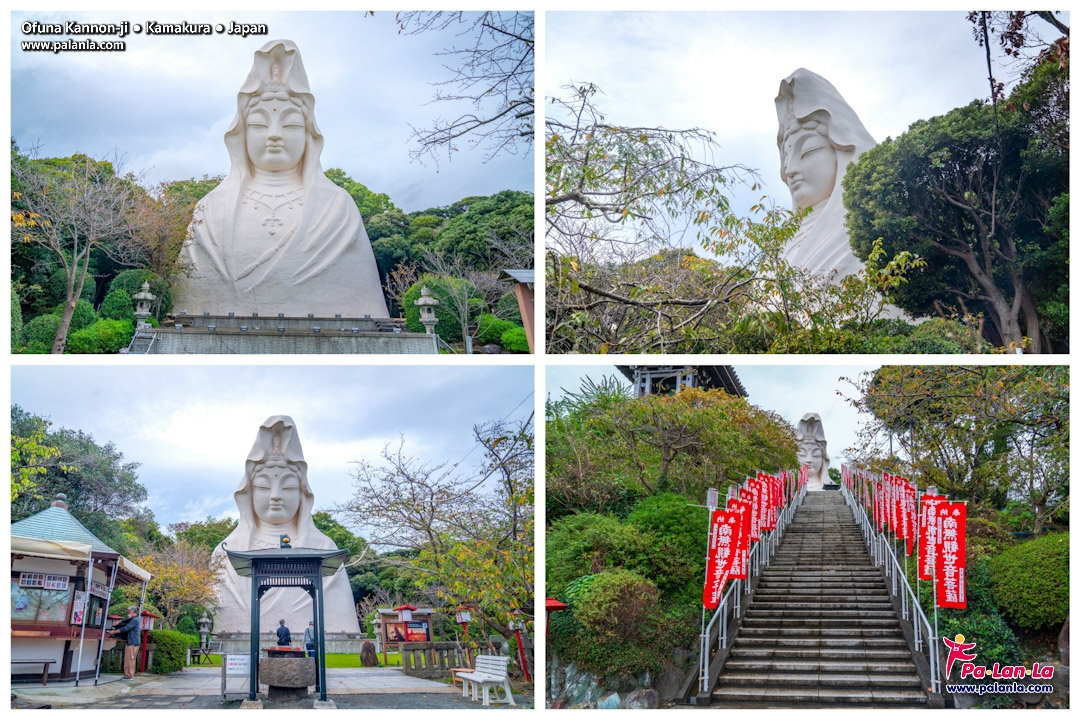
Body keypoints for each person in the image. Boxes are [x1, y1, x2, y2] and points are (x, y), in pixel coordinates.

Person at [172, 39, 389, 319]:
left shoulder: (337, 208)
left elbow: (361, 298)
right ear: (243, 133)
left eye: (290, 124)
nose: (274, 134)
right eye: (260, 124)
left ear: (309, 134)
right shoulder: (211, 209)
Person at [210, 416, 362, 635]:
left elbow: (341, 616)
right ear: (249, 493)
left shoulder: (324, 548)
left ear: (303, 494)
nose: (276, 496)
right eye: (263, 486)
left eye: (289, 487)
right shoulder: (226, 552)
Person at [774, 68, 877, 281]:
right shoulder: (779, 247)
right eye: (787, 157)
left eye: (807, 151)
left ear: (841, 151)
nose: (790, 169)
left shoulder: (869, 233)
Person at [108, 606, 142, 680]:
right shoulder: (135, 619)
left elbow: (126, 628)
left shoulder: (135, 620)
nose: (128, 614)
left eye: (129, 612)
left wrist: (114, 631)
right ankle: (130, 675)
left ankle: (129, 676)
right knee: (131, 659)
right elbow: (127, 620)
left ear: (133, 612)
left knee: (129, 659)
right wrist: (119, 621)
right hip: (134, 642)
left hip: (132, 642)